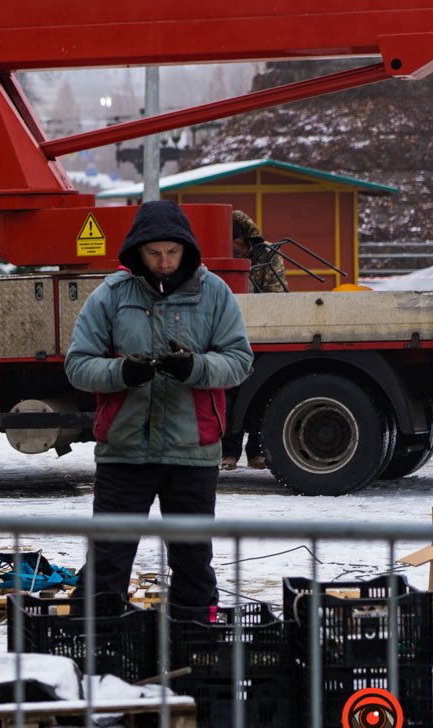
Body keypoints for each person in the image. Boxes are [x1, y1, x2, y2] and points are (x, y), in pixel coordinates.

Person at [64, 200, 253, 617]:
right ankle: (98, 646)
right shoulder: (111, 295)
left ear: (187, 249)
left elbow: (240, 361)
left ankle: (195, 641)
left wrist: (196, 367)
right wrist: (121, 374)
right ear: (138, 251)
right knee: (108, 559)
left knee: (192, 562)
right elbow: (77, 365)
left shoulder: (215, 293)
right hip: (125, 451)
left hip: (193, 452)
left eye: (172, 252)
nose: (164, 262)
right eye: (154, 253)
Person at [221, 210, 286, 470]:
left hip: (262, 331)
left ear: (246, 240)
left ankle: (255, 451)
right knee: (231, 394)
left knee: (261, 392)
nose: (235, 249)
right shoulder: (219, 255)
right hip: (230, 334)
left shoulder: (267, 255)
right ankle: (229, 453)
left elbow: (277, 292)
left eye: (237, 244)